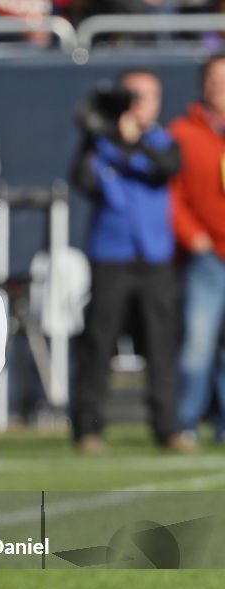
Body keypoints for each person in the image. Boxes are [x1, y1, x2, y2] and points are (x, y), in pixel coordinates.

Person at [69, 70, 189, 455]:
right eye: (132, 96)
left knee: (160, 347)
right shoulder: (101, 144)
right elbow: (82, 181)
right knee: (99, 344)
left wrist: (132, 140)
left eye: (146, 96)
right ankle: (88, 429)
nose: (138, 104)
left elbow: (167, 167)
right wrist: (93, 133)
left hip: (154, 258)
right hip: (112, 257)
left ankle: (169, 428)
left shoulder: (163, 141)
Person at [169, 53, 225, 447]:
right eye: (214, 79)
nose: (219, 86)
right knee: (197, 346)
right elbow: (172, 195)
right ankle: (185, 424)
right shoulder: (183, 132)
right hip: (205, 256)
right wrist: (192, 235)